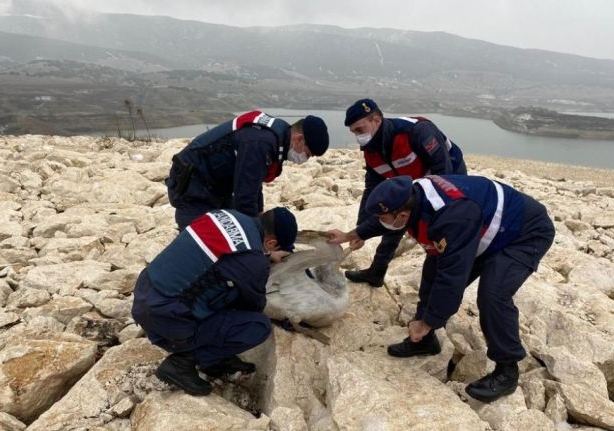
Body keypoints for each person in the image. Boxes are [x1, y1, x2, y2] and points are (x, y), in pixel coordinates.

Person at [328, 175, 554, 402]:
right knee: (431, 274)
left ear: (403, 216)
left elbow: (452, 277)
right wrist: (352, 235)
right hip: (484, 227)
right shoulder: (410, 198)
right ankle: (425, 342)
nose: (381, 220)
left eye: (384, 216)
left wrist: (428, 321)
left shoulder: (451, 216)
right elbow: (386, 219)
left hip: (524, 232)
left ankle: (507, 370)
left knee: (492, 294)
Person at [131, 206, 298, 396]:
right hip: (166, 318)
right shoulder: (253, 263)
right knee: (256, 325)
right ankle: (182, 363)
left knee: (220, 287)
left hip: (146, 294)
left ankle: (215, 360)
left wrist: (264, 257)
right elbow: (254, 306)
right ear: (272, 243)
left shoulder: (225, 215)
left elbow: (229, 256)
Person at [342, 98, 467, 288]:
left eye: (360, 129)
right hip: (411, 183)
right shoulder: (371, 151)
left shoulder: (416, 131)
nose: (358, 136)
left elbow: (444, 170)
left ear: (376, 120)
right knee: (394, 217)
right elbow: (373, 191)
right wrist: (360, 231)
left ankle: (440, 285)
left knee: (436, 228)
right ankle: (377, 271)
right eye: (353, 132)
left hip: (449, 177)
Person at [167, 111, 329, 230]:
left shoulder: (276, 136)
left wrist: (258, 215)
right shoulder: (260, 142)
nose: (304, 159)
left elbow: (254, 180)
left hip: (217, 183)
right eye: (307, 154)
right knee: (200, 241)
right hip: (194, 184)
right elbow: (245, 196)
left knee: (231, 229)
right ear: (299, 139)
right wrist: (257, 236)